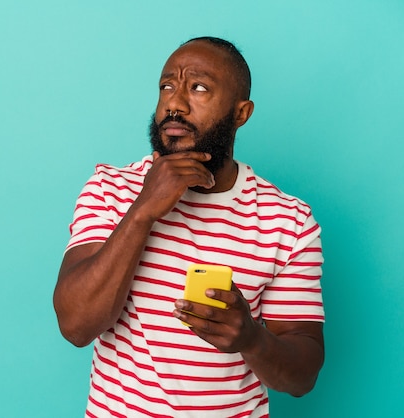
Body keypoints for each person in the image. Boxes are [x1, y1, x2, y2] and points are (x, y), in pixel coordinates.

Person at [54, 36, 325, 417]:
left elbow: (302, 377)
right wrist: (143, 210)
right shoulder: (109, 189)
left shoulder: (287, 220)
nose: (174, 104)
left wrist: (252, 339)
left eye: (198, 87)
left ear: (240, 113)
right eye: (167, 86)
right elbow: (75, 326)